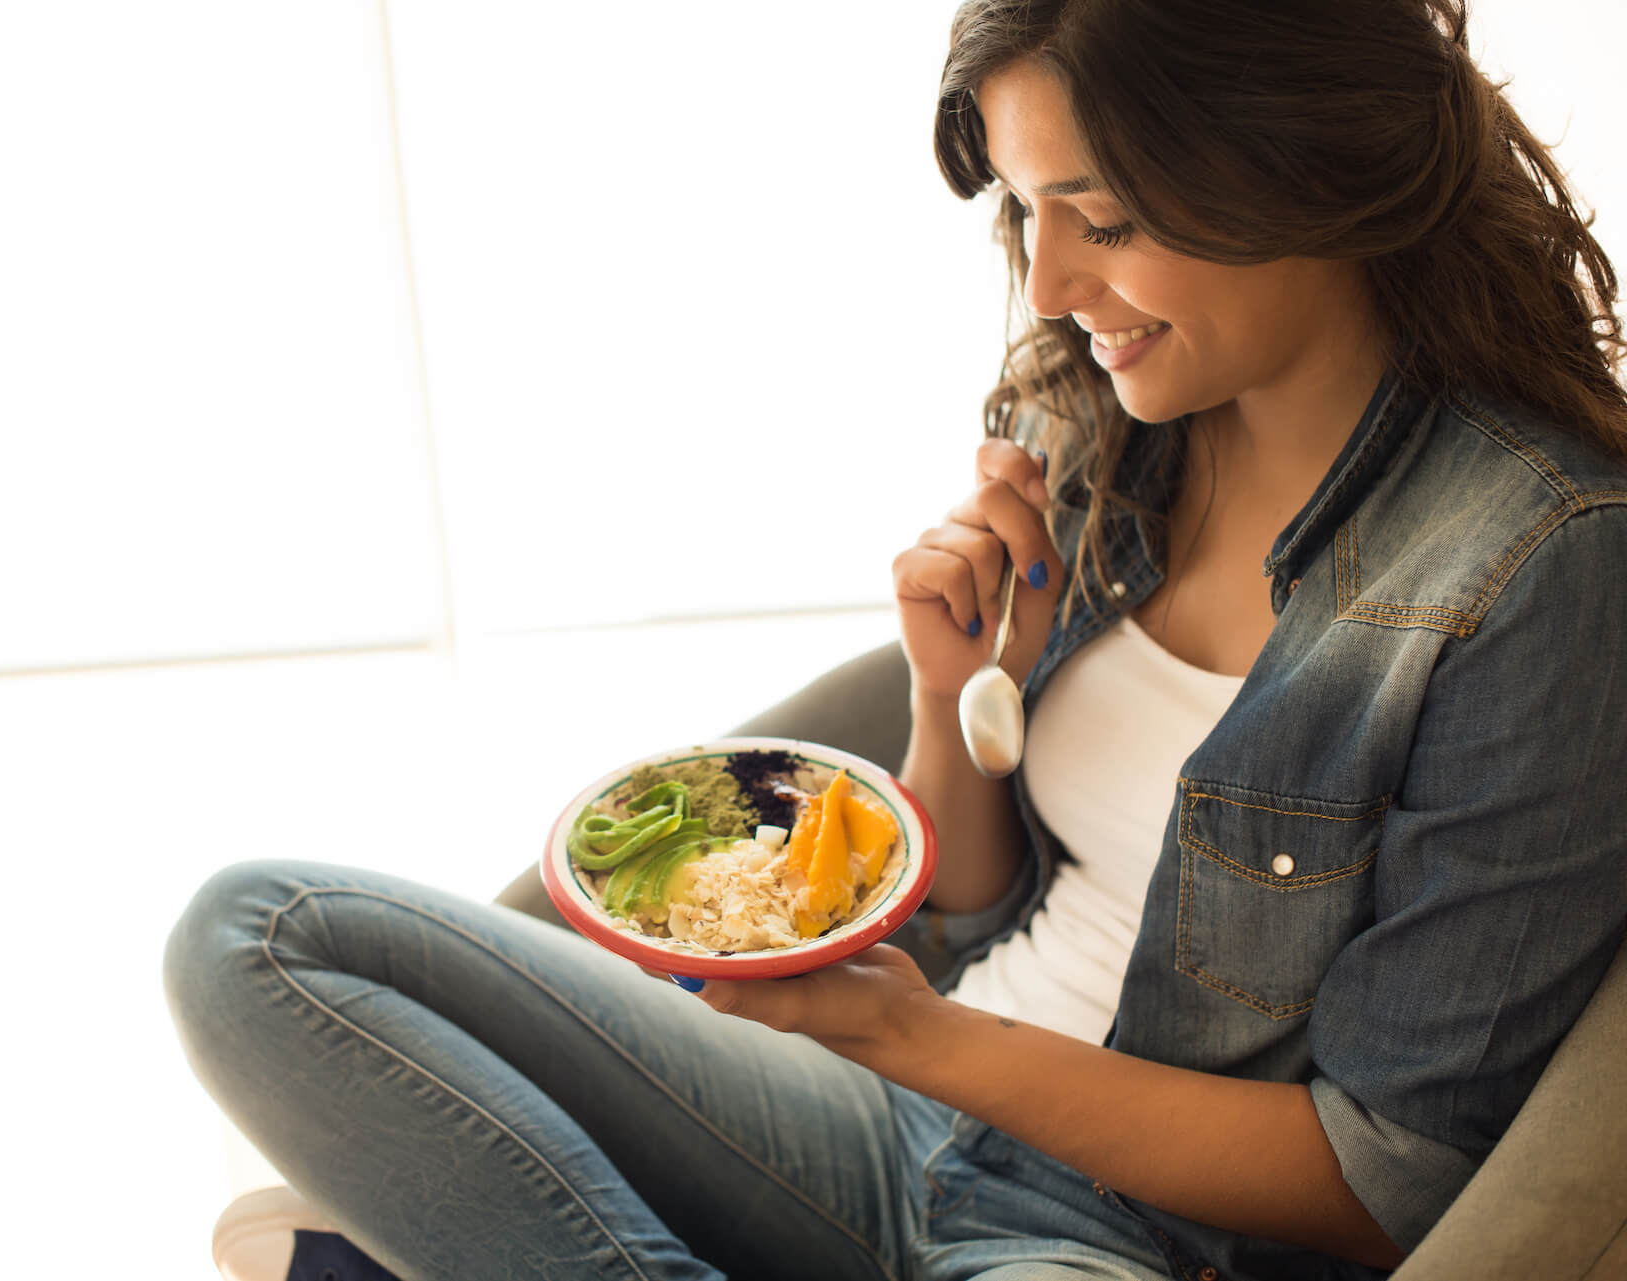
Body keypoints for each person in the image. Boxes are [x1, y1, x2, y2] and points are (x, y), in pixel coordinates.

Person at [164, 1, 1627, 1277]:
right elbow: (975, 913)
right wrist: (952, 694)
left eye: (1101, 218)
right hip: (876, 1116)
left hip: (1125, 1237)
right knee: (251, 936)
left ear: (1304, 161)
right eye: (1024, 210)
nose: (1048, 285)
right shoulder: (1108, 420)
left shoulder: (1546, 560)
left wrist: (918, 1041)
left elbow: (1389, 1181)